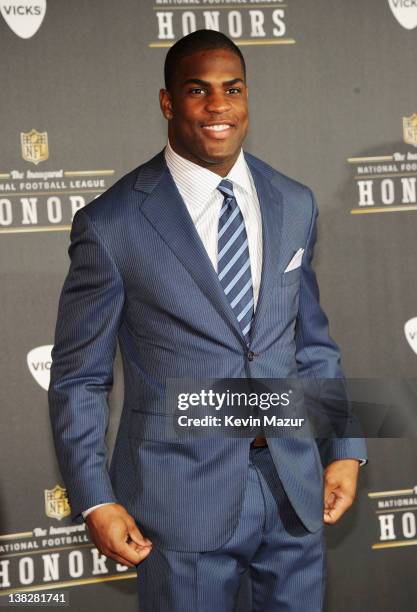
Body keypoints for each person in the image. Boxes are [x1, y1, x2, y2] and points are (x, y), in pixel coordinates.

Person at [48, 29, 367, 612]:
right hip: (179, 504)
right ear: (168, 103)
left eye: (233, 88)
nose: (219, 105)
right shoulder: (111, 224)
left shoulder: (294, 201)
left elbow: (312, 343)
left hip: (294, 488)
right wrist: (95, 499)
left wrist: (344, 445)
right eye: (198, 90)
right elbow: (80, 379)